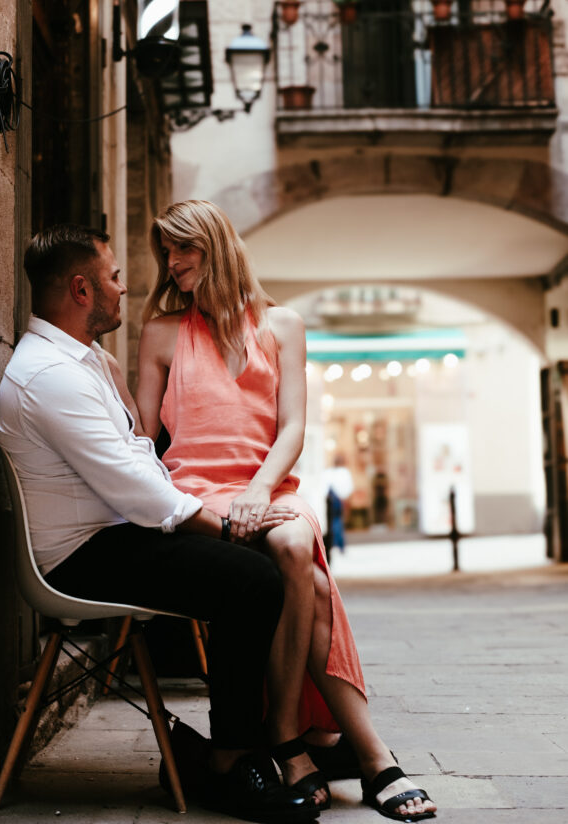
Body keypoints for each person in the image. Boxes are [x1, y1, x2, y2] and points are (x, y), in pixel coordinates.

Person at [0, 223, 320, 824]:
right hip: (80, 556)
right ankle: (233, 760)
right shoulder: (51, 375)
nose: (128, 286)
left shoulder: (82, 360)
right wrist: (228, 527)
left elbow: (138, 457)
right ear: (83, 289)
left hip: (112, 534)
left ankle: (258, 745)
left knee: (249, 571)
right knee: (250, 579)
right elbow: (137, 490)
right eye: (115, 277)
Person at [137, 201, 436, 822]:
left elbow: (293, 426)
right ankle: (364, 754)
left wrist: (259, 490)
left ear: (216, 247)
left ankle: (284, 733)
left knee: (299, 549)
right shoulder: (163, 332)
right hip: (196, 487)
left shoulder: (283, 324)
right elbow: (142, 435)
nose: (171, 263)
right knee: (315, 583)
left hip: (269, 483)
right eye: (165, 251)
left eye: (183, 249)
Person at [322, 454, 354, 559]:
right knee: (337, 521)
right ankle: (339, 544)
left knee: (332, 521)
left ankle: (335, 544)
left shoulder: (329, 472)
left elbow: (324, 487)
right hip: (338, 500)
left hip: (330, 499)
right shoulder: (344, 472)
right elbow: (348, 489)